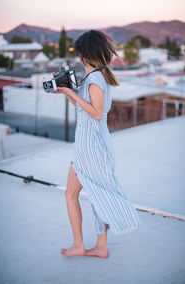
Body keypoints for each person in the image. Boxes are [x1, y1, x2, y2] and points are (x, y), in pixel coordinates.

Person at [52, 30, 141, 258]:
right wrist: (66, 92)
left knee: (82, 195)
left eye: (79, 52)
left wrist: (73, 94)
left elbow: (96, 112)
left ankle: (82, 245)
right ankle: (98, 246)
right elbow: (84, 109)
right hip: (89, 147)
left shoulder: (94, 80)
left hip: (92, 150)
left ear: (85, 54)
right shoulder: (98, 77)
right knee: (92, 194)